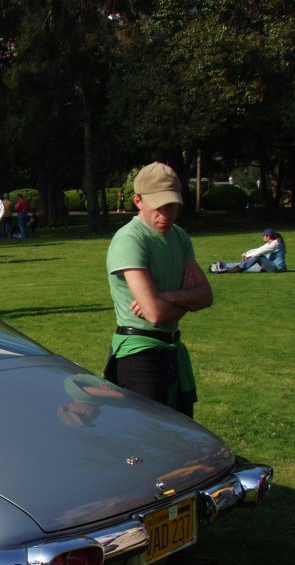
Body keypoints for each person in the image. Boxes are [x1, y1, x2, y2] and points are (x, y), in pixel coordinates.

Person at [103, 162, 213, 417]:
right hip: (139, 354)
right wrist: (186, 299)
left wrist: (169, 297)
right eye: (159, 206)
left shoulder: (179, 236)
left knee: (182, 439)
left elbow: (206, 296)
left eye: (172, 205)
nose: (166, 214)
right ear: (138, 201)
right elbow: (154, 314)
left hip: (172, 349)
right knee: (150, 444)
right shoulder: (130, 239)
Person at [209, 229, 286, 273]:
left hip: (276, 268)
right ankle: (224, 266)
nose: (263, 237)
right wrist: (247, 253)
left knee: (258, 257)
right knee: (251, 263)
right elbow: (258, 249)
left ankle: (237, 269)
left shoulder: (275, 244)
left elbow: (259, 252)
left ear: (268, 237)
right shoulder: (272, 242)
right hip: (270, 265)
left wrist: (247, 255)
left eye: (264, 236)